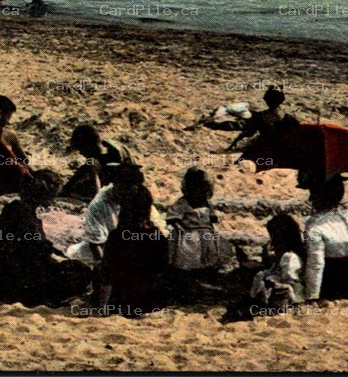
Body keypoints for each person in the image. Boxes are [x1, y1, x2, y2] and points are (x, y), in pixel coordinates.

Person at [0, 170, 91, 306]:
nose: (53, 200)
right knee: (80, 272)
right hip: (12, 278)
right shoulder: (26, 215)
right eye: (52, 196)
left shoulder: (14, 207)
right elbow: (38, 250)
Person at [95, 174, 168, 318]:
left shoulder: (117, 236)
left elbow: (107, 274)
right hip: (150, 301)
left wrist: (103, 307)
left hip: (121, 301)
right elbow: (162, 269)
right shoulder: (157, 236)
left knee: (98, 266)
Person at [299, 175, 348, 302]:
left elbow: (316, 264)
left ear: (320, 197)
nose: (310, 199)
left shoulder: (314, 224)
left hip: (335, 283)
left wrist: (312, 295)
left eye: (313, 193)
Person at [166, 167, 232, 276]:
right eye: (195, 189)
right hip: (188, 232)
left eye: (202, 190)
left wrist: (214, 219)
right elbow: (172, 218)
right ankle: (188, 270)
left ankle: (205, 268)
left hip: (205, 232)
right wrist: (179, 229)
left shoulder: (207, 203)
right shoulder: (182, 203)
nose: (198, 193)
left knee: (209, 249)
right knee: (190, 251)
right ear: (189, 189)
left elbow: (212, 216)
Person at [65, 125, 134, 198]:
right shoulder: (105, 147)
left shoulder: (115, 155)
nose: (81, 153)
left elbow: (98, 195)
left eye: (81, 149)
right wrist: (67, 187)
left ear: (89, 145)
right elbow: (82, 171)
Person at [229, 86, 288, 151]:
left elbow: (249, 132)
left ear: (267, 100)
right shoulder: (284, 113)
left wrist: (234, 143)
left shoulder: (262, 116)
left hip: (266, 144)